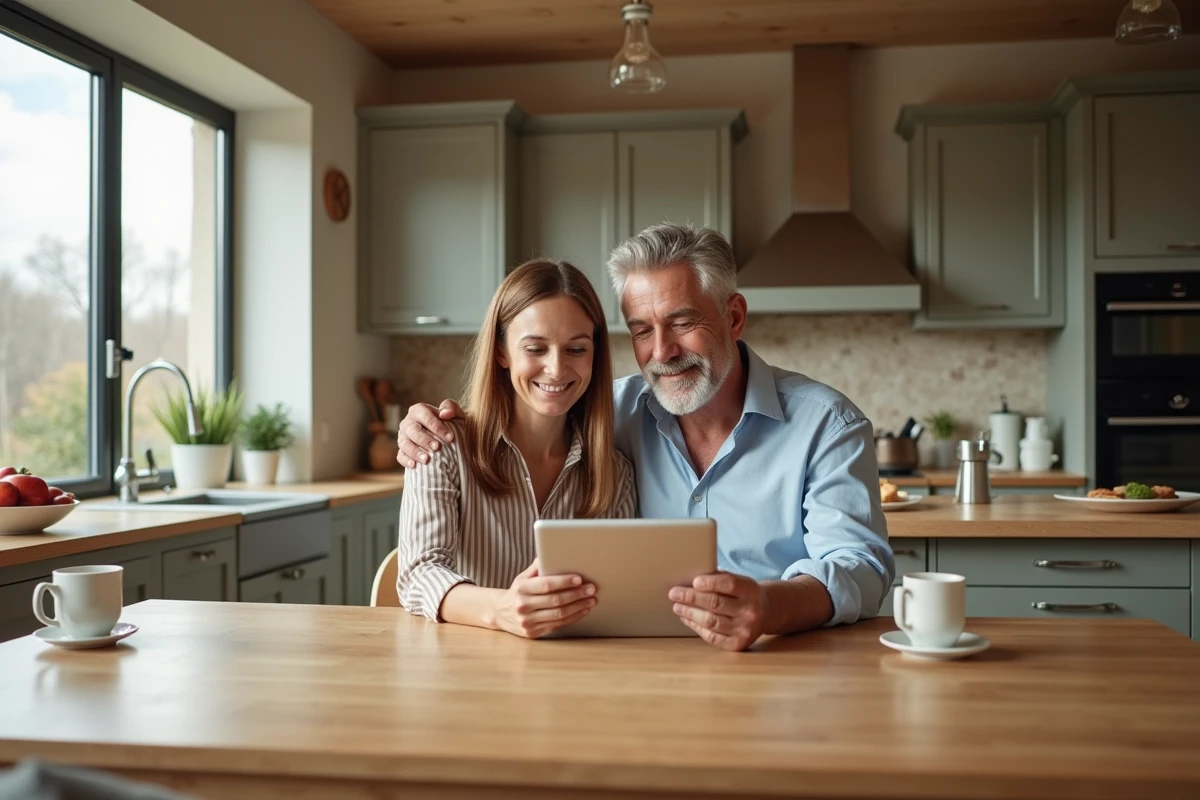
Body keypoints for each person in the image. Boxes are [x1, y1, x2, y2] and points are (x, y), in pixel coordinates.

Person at [396, 225, 894, 651]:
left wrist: (768, 606)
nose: (662, 351)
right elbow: (534, 403)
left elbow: (861, 569)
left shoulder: (826, 424)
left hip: (780, 660)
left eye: (683, 322)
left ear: (734, 317)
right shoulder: (606, 415)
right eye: (640, 330)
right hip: (639, 666)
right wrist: (426, 424)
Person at [395, 259, 636, 640]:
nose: (556, 369)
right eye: (535, 348)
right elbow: (418, 575)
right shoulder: (441, 446)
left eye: (576, 348)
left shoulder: (615, 472)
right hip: (466, 676)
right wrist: (501, 610)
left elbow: (621, 595)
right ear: (501, 353)